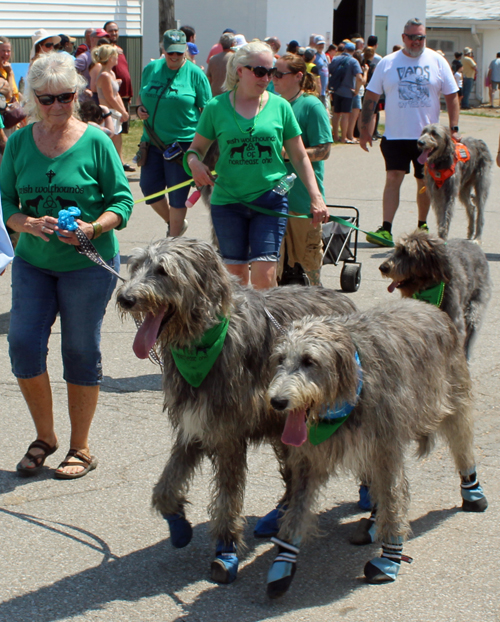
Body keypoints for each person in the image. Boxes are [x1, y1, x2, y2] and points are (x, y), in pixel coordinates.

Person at [0, 52, 133, 478]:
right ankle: (45, 437)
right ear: (33, 99)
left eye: (66, 97)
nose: (57, 106)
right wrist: (25, 223)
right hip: (34, 263)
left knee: (79, 349)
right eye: (47, 99)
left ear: (76, 96)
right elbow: (5, 200)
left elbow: (122, 201)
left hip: (86, 265)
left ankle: (81, 447)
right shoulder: (19, 142)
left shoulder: (95, 140)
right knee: (22, 344)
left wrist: (93, 228)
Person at [185, 41, 329, 290]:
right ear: (240, 71)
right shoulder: (216, 107)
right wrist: (194, 163)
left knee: (265, 276)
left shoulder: (280, 106)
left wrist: (316, 197)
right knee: (236, 277)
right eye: (260, 71)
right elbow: (194, 151)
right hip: (228, 202)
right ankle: (242, 328)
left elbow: (299, 156)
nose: (267, 78)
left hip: (270, 199)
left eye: (271, 72)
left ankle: (267, 328)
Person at [359, 18, 460, 246]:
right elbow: (371, 97)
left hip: (428, 139)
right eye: (412, 37)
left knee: (423, 181)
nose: (416, 42)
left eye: (421, 37)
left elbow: (452, 95)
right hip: (395, 135)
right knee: (393, 178)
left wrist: (454, 129)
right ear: (403, 38)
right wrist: (364, 129)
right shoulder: (388, 63)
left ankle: (422, 224)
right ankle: (386, 229)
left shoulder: (437, 60)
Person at [136, 29, 211, 236]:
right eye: (171, 53)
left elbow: (207, 110)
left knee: (178, 194)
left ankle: (174, 242)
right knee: (149, 188)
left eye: (179, 53)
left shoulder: (195, 74)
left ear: (185, 50)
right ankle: (174, 222)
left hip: (183, 143)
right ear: (163, 50)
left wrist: (205, 145)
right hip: (152, 141)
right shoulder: (151, 68)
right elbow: (141, 95)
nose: (176, 57)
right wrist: (139, 108)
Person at [273, 53, 332, 285]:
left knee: (308, 269)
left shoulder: (310, 105)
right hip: (274, 199)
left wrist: (290, 154)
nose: (273, 79)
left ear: (298, 76)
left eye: (279, 74)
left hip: (302, 201)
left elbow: (324, 149)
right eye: (271, 74)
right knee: (274, 271)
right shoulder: (272, 104)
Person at [103, 22, 135, 171]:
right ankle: (112, 165)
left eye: (116, 30)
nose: (114, 33)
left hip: (122, 96)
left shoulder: (120, 51)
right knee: (112, 133)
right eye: (111, 31)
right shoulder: (108, 52)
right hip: (112, 102)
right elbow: (109, 94)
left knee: (119, 132)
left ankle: (120, 161)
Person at [329, 40, 363, 143]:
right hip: (347, 91)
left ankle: (335, 136)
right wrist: (356, 90)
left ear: (344, 49)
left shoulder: (335, 59)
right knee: (345, 114)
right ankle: (344, 138)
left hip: (336, 90)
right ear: (354, 51)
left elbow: (329, 71)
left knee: (336, 114)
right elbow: (359, 78)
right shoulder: (353, 61)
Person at [94, 45, 129, 142]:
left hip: (115, 113)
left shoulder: (111, 73)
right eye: (115, 55)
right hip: (108, 114)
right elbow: (110, 98)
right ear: (110, 58)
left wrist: (123, 111)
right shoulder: (104, 76)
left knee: (118, 148)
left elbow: (116, 94)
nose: (117, 57)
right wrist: (123, 112)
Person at [207, 32, 235, 97]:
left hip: (215, 95)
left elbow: (209, 78)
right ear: (232, 44)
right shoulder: (234, 58)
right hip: (229, 95)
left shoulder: (213, 59)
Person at [0, 37, 19, 103]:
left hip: (15, 109)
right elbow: (9, 95)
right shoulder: (8, 70)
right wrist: (10, 73)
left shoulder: (7, 68)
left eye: (8, 51)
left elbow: (15, 92)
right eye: (3, 51)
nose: (6, 54)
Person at [312, 35, 329, 105]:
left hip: (324, 88)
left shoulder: (324, 55)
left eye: (322, 44)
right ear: (315, 45)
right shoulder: (314, 56)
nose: (321, 46)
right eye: (319, 44)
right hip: (318, 88)